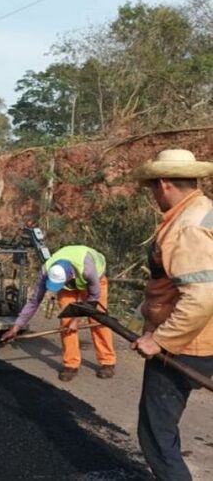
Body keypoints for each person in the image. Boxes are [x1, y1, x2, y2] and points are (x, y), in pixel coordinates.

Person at [130, 149, 213, 481]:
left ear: (164, 184)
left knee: (155, 433)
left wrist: (160, 340)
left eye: (153, 188)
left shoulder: (186, 226)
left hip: (188, 346)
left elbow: (202, 295)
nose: (154, 195)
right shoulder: (207, 211)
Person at [2, 245, 116, 382]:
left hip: (95, 281)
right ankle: (71, 364)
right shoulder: (46, 271)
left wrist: (77, 320)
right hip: (69, 285)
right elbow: (34, 302)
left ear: (70, 275)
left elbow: (93, 299)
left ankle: (107, 361)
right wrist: (16, 327)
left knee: (98, 319)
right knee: (66, 322)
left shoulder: (88, 270)